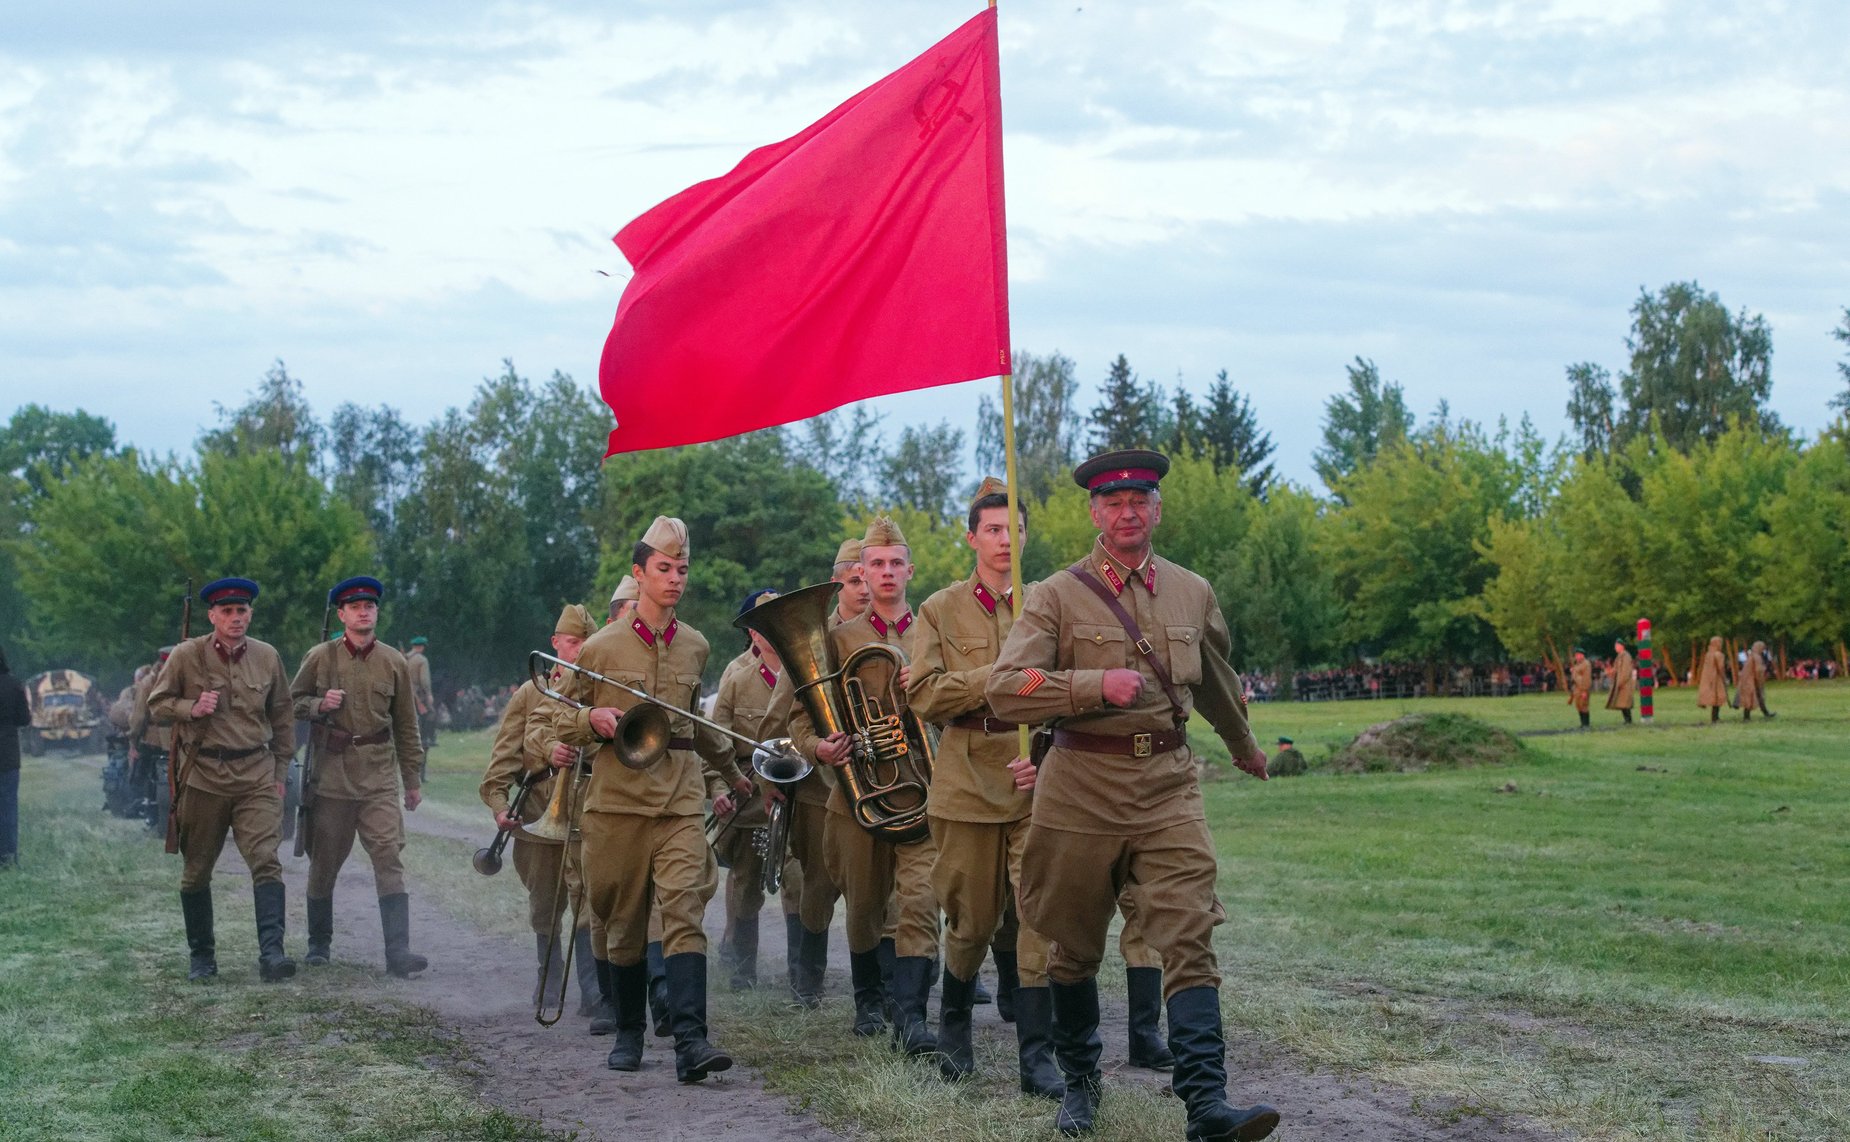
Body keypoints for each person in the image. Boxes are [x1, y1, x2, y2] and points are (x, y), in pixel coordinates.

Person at [987, 449, 1279, 1142]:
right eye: (1114, 503)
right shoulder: (1057, 594)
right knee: (1074, 946)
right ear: (1094, 512)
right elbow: (1005, 688)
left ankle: (1206, 1106)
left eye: (1140, 500)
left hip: (1168, 788)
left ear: (1156, 508)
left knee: (1189, 932)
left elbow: (1212, 677)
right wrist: (1090, 688)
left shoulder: (1191, 591)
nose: (1128, 512)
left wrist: (1243, 745)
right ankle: (1081, 1088)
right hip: (1079, 790)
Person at [552, 516, 753, 1082]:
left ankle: (691, 1039)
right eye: (664, 569)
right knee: (622, 920)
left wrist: (735, 769)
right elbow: (556, 717)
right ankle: (630, 1031)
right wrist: (589, 718)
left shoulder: (696, 646)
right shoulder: (598, 647)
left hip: (679, 802)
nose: (674, 579)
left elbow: (695, 725)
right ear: (639, 574)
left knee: (685, 910)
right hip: (615, 805)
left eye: (682, 569)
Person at [907, 477, 1062, 1093]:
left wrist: (1046, 751)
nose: (1005, 540)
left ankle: (1037, 1057)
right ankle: (953, 1029)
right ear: (972, 537)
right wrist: (996, 679)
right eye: (993, 530)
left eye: (1014, 529)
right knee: (970, 920)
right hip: (968, 781)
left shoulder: (1051, 602)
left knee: (1037, 915)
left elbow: (1070, 688)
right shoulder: (939, 610)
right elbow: (923, 692)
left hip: (1037, 782)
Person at [787, 517, 941, 1055]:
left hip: (923, 792)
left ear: (910, 571)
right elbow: (799, 720)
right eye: (876, 564)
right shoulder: (837, 639)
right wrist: (819, 748)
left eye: (896, 563)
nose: (886, 572)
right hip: (858, 797)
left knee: (919, 901)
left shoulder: (932, 632)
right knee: (865, 906)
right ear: (862, 572)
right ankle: (866, 1000)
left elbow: (960, 707)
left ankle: (912, 1012)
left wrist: (926, 688)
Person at [147, 578, 296, 982]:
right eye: (226, 612)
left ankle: (272, 955)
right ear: (212, 615)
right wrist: (191, 707)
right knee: (196, 871)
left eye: (242, 611)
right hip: (204, 776)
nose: (235, 618)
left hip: (256, 775)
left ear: (250, 614)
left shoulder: (267, 656)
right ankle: (202, 956)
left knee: (266, 861)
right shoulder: (185, 655)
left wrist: (281, 771)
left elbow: (282, 714)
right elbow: (157, 706)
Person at [290, 576, 428, 977]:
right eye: (355, 607)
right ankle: (319, 944)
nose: (363, 611)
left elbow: (406, 725)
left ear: (376, 612)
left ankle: (397, 952)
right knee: (324, 863)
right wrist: (319, 703)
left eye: (369, 605)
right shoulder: (320, 657)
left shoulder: (395, 662)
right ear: (342, 614)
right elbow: (292, 703)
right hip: (331, 779)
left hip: (379, 776)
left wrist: (413, 780)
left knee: (388, 854)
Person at [479, 604, 599, 1017]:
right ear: (555, 645)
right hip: (538, 819)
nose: (578, 651)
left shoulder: (601, 691)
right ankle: (548, 978)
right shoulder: (530, 694)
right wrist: (499, 808)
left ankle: (592, 992)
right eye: (572, 643)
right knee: (545, 906)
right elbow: (501, 763)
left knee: (588, 902)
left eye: (586, 644)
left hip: (587, 819)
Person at [763, 537, 865, 1008]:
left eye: (869, 577)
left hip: (880, 782)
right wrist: (773, 782)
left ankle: (883, 986)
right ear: (837, 583)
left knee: (882, 892)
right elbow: (775, 721)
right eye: (854, 579)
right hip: (819, 791)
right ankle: (809, 976)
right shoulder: (812, 638)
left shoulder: (885, 630)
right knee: (819, 887)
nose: (864, 588)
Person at [709, 589, 804, 992]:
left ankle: (801, 972)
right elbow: (715, 742)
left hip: (799, 793)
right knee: (747, 881)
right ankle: (743, 968)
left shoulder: (803, 670)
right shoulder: (737, 677)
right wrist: (719, 784)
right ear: (751, 630)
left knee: (798, 881)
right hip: (750, 797)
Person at [0, 645, 29, 869]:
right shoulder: (13, 684)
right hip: (8, 754)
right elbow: (24, 719)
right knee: (9, 806)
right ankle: (9, 854)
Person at [407, 636, 436, 753]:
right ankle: (428, 738)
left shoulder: (402, 657)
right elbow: (424, 680)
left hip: (403, 694)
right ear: (421, 647)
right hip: (417, 695)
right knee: (431, 712)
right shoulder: (422, 660)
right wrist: (429, 694)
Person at [1736, 639, 1774, 720]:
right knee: (1750, 697)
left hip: (1748, 679)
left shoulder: (1752, 656)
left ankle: (1765, 712)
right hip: (1751, 680)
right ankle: (1746, 717)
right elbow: (1758, 670)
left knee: (1759, 696)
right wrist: (1760, 680)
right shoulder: (1757, 657)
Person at [1697, 636, 1730, 723]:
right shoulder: (1718, 655)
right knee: (1717, 698)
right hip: (1716, 679)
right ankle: (1715, 718)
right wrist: (1724, 679)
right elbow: (1721, 668)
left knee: (1715, 698)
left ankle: (1715, 717)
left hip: (1708, 679)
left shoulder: (1708, 654)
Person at [1605, 640, 1636, 725]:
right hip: (1620, 683)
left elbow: (1626, 671)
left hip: (1624, 683)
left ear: (1621, 646)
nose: (1615, 648)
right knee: (1621, 702)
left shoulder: (1626, 656)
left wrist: (1620, 682)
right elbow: (1616, 669)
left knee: (1625, 702)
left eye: (1616, 646)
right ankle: (1626, 720)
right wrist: (1610, 672)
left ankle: (1628, 720)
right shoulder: (1619, 656)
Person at [1568, 649, 1592, 730]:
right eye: (1576, 655)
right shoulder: (1578, 664)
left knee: (1584, 706)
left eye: (1578, 655)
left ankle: (1586, 724)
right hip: (1577, 688)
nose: (1577, 657)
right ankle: (1582, 724)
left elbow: (1586, 678)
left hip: (1583, 687)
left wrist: (1585, 690)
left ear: (1582, 655)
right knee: (1579, 705)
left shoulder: (1586, 664)